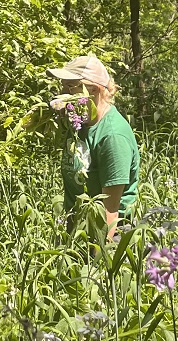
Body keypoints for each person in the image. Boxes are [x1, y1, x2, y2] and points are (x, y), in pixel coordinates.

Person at [46, 55, 140, 241]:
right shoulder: (78, 123)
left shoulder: (112, 137)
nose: (62, 93)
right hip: (78, 228)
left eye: (70, 86)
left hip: (110, 234)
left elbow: (109, 209)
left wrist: (97, 265)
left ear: (94, 90)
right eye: (62, 85)